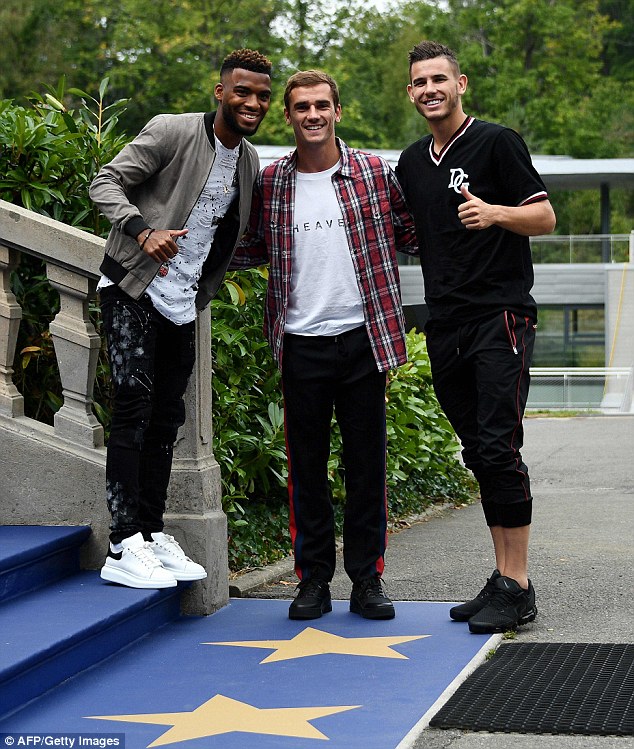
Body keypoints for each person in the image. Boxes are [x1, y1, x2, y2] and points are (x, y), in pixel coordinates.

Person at [231, 70, 417, 620]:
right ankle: (312, 579)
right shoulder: (271, 183)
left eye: (321, 105)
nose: (312, 115)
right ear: (288, 116)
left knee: (367, 466)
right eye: (301, 107)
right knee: (306, 469)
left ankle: (367, 580)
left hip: (363, 340)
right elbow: (245, 247)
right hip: (300, 343)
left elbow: (416, 232)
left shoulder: (374, 173)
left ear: (338, 111)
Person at [89, 49, 273, 589]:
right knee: (133, 408)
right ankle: (122, 543)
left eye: (263, 95)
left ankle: (150, 532)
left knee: (167, 418)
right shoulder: (173, 130)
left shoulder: (249, 160)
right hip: (133, 288)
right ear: (221, 92)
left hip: (182, 301)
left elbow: (227, 231)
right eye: (242, 91)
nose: (253, 102)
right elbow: (105, 181)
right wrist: (142, 230)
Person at [396, 41, 556, 634]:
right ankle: (502, 576)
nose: (430, 89)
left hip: (499, 316)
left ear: (460, 84)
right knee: (477, 451)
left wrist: (494, 213)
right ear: (410, 93)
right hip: (445, 323)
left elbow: (545, 217)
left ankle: (519, 584)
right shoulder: (412, 163)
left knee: (498, 447)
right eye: (420, 82)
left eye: (439, 79)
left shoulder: (496, 142)